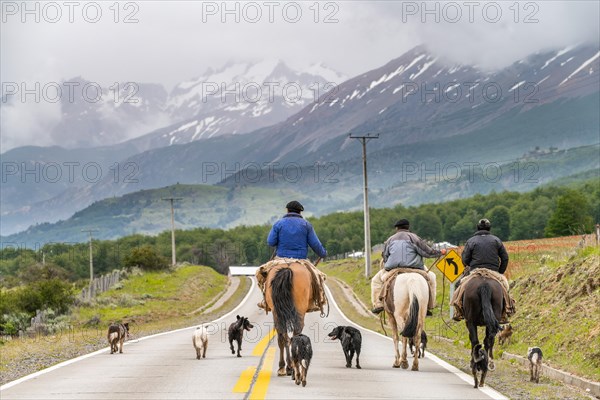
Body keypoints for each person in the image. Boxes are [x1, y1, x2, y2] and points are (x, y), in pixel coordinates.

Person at [256, 201, 327, 312]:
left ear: (287, 210)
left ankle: (265, 300)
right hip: (301, 260)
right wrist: (323, 253)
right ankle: (316, 301)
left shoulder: (278, 224)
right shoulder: (306, 225)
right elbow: (315, 244)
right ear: (300, 212)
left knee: (260, 274)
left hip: (280, 259)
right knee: (319, 278)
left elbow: (270, 242)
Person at [370, 219, 444, 316]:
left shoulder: (390, 240)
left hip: (394, 269)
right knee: (432, 277)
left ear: (397, 228)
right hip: (415, 269)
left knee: (376, 281)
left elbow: (385, 256)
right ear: (408, 227)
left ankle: (378, 304)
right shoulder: (415, 238)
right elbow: (427, 252)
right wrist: (440, 253)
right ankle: (430, 305)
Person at [451, 218, 513, 322]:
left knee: (459, 285)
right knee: (505, 286)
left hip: (475, 271)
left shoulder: (471, 241)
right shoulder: (496, 240)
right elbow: (505, 258)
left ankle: (459, 312)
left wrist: (469, 265)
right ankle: (504, 312)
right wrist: (500, 272)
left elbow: (465, 259)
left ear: (477, 228)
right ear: (489, 228)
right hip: (493, 272)